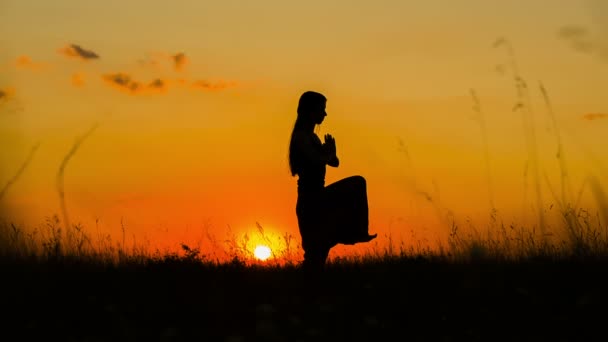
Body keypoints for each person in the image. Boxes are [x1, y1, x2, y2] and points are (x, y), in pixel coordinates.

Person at [288, 90, 377, 271]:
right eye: (321, 109)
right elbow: (317, 160)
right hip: (311, 201)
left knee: (317, 254)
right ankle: (357, 231)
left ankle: (355, 231)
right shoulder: (301, 138)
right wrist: (328, 154)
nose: (325, 114)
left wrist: (331, 152)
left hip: (318, 198)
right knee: (315, 254)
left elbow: (334, 162)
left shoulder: (312, 137)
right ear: (309, 111)